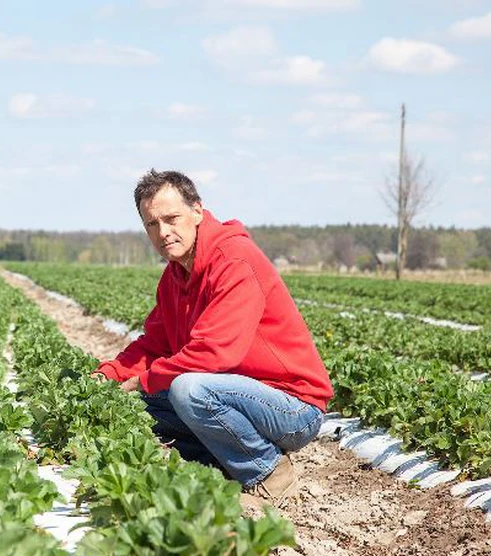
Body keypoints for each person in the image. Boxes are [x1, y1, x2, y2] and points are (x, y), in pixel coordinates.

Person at [95, 170, 333, 506]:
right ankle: (218, 467)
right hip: (236, 395)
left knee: (188, 390)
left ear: (197, 211)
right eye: (152, 224)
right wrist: (108, 376)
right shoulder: (174, 276)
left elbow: (214, 355)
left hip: (292, 405)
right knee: (137, 405)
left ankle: (269, 473)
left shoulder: (234, 260)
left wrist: (142, 380)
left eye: (171, 218)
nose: (163, 232)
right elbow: (155, 345)